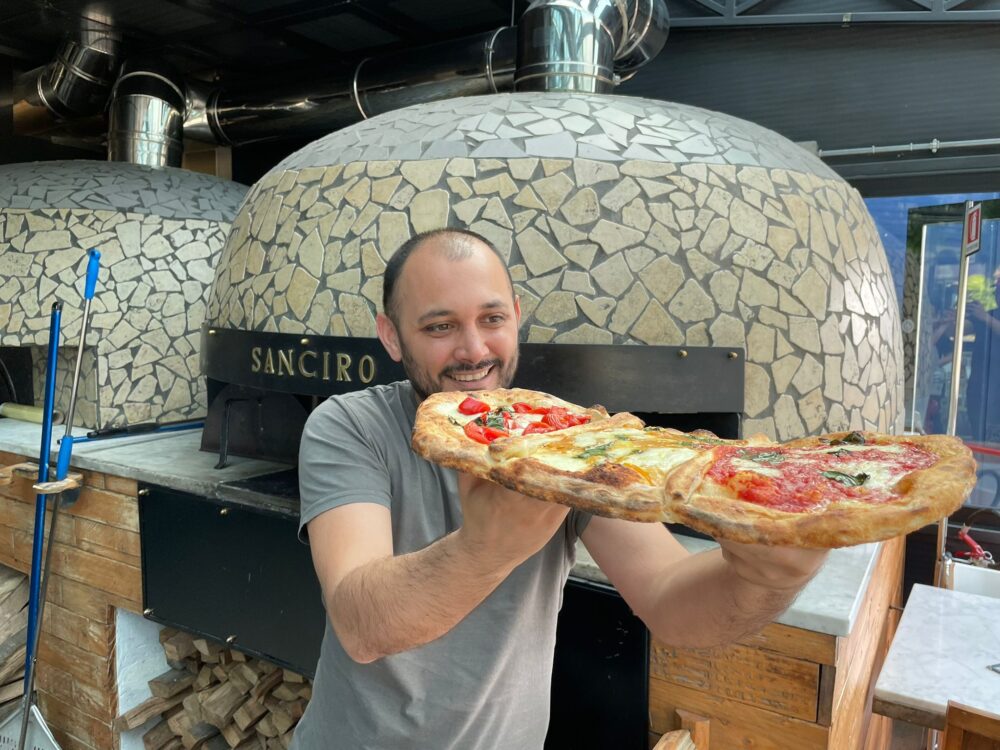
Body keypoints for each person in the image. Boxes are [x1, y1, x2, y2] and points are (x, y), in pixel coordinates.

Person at [291, 228, 827, 749]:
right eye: (439, 327)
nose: (474, 350)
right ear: (391, 335)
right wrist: (485, 550)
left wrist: (767, 578)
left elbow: (669, 601)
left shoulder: (566, 440)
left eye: (492, 319)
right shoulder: (350, 425)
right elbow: (360, 624)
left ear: (517, 317)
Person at [966, 264, 1000, 443]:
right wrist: (952, 321)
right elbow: (971, 326)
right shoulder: (988, 303)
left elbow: (984, 321)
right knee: (976, 419)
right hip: (980, 375)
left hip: (996, 377)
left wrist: (984, 317)